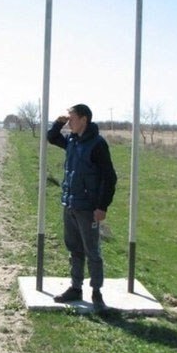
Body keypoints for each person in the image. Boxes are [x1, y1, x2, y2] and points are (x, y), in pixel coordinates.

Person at [47, 104, 117, 311]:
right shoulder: (72, 140)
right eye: (68, 119)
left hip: (88, 208)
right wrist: (58, 123)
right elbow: (51, 137)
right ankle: (75, 288)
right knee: (74, 249)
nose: (69, 122)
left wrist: (102, 207)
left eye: (72, 118)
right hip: (70, 204)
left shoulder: (97, 144)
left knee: (92, 252)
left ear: (84, 119)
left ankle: (97, 293)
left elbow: (109, 178)